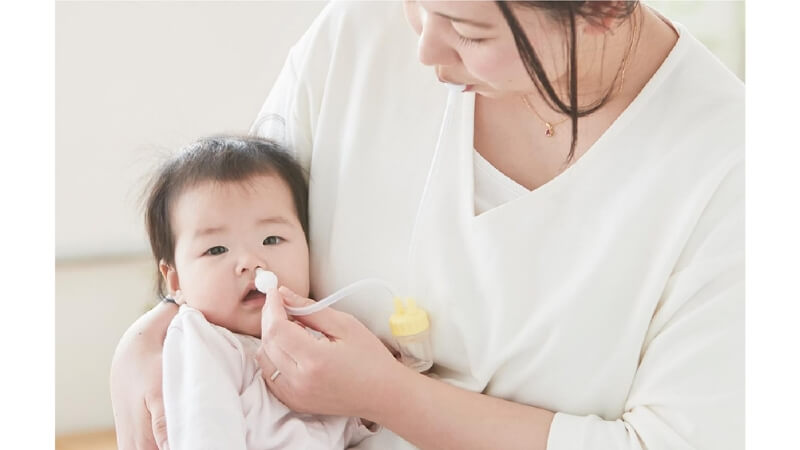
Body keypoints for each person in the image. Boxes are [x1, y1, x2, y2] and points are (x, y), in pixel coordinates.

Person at [111, 1, 744, 449]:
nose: (424, 51)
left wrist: (390, 397)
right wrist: (152, 330)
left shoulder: (733, 170)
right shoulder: (357, 33)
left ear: (605, 9)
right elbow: (224, 227)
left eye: (469, 33)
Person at [140, 135, 375, 449]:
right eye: (217, 249)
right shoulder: (202, 340)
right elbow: (205, 433)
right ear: (177, 282)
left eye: (272, 240)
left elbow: (339, 426)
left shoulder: (313, 332)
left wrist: (365, 402)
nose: (250, 261)